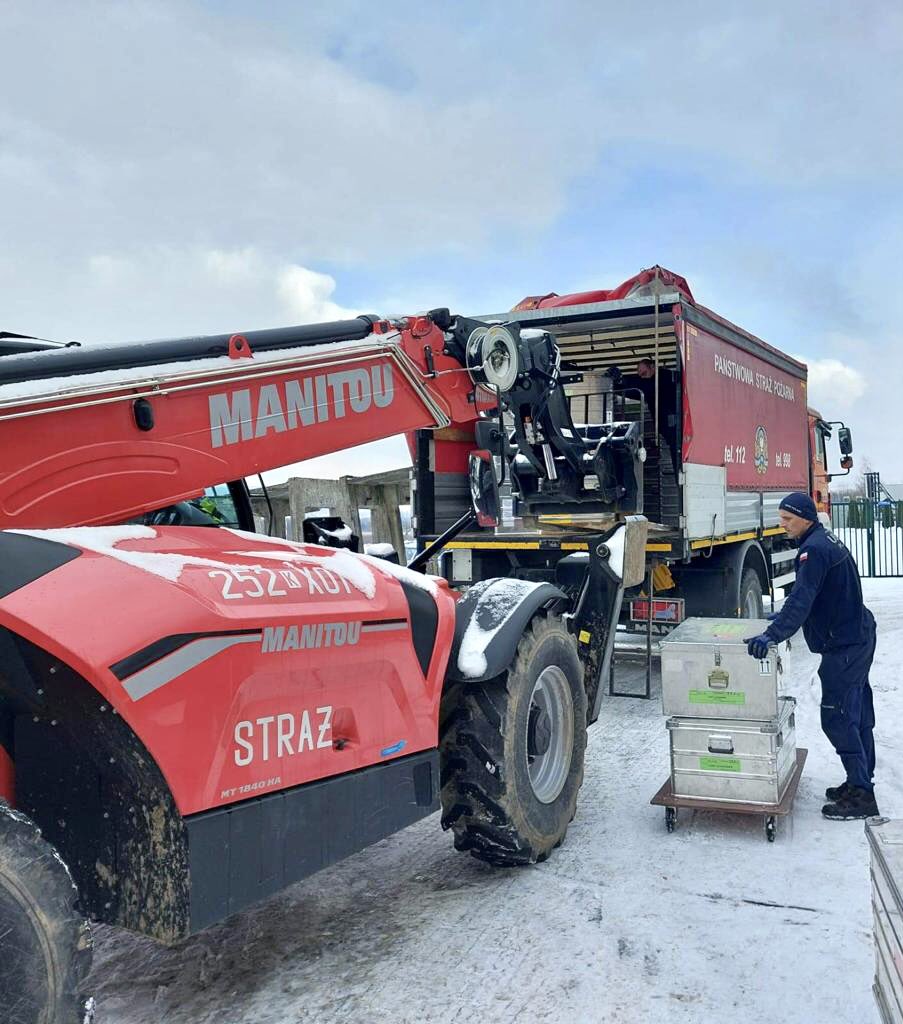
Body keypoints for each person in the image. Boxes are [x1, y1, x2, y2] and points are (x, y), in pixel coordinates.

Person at [743, 492, 878, 820]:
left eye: (788, 519)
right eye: (781, 518)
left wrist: (771, 636)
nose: (782, 525)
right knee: (856, 712)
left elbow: (802, 599)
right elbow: (814, 595)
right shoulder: (823, 540)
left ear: (805, 517)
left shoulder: (813, 550)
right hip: (857, 634)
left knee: (838, 716)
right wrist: (782, 617)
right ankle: (859, 781)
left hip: (845, 645)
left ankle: (862, 795)